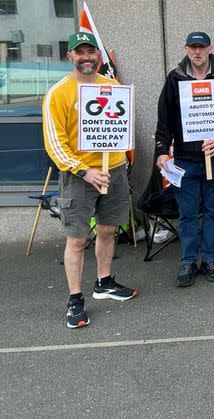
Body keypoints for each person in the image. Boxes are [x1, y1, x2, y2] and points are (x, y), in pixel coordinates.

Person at [43, 32, 137, 328]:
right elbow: (55, 143)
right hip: (78, 177)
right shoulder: (58, 93)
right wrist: (84, 170)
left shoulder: (112, 87)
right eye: (80, 52)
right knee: (77, 238)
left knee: (108, 230)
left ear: (98, 56)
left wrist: (120, 161)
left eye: (91, 52)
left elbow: (121, 127)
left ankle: (104, 282)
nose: (87, 57)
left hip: (114, 170)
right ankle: (75, 300)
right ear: (70, 56)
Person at [155, 31, 214, 287]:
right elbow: (165, 117)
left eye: (202, 47)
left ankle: (211, 259)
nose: (197, 52)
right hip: (184, 158)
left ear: (210, 48)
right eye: (193, 47)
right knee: (188, 213)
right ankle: (188, 261)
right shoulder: (175, 78)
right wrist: (161, 150)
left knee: (213, 211)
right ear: (186, 49)